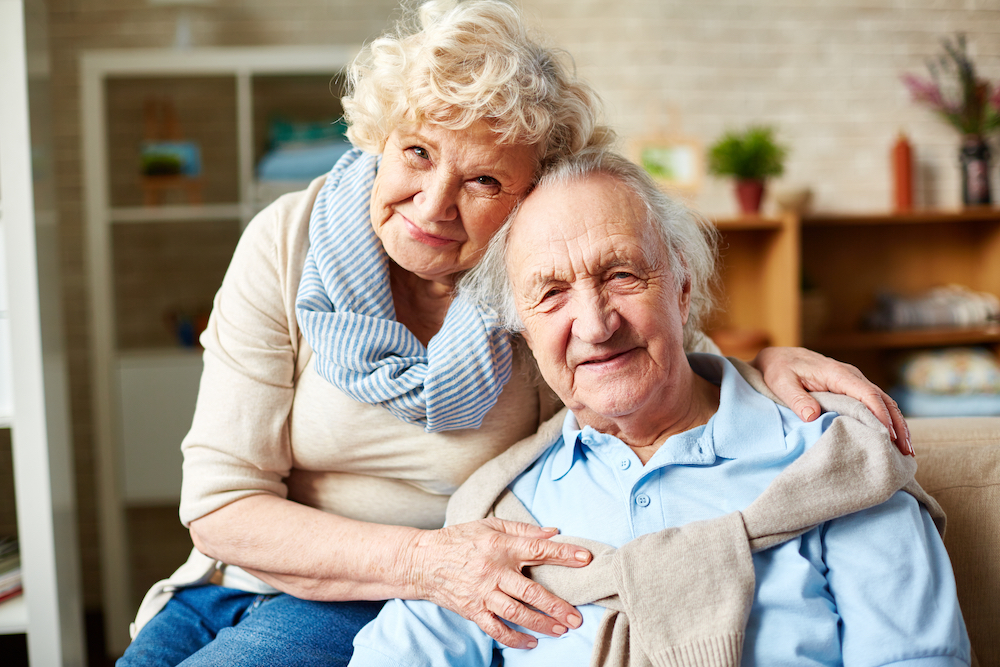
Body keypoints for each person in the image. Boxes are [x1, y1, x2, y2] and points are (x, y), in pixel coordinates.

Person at [118, 2, 913, 666]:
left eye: (483, 180)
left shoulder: (537, 293)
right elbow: (221, 504)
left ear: (530, 199)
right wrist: (429, 559)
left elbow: (620, 362)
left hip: (368, 605)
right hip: (234, 575)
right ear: (378, 138)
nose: (433, 205)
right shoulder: (286, 241)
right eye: (418, 154)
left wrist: (760, 365)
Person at [349, 149, 970, 666]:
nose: (593, 325)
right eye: (552, 293)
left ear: (681, 286)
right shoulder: (503, 508)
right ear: (522, 329)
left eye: (621, 275)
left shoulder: (836, 461)